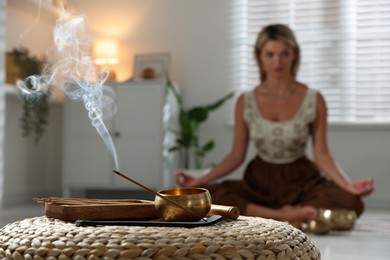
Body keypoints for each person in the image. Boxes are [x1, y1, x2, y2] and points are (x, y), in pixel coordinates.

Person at [175, 24, 374, 226]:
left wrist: (348, 185)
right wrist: (201, 180)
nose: (277, 61)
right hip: (259, 181)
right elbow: (236, 155)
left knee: (351, 201)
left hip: (302, 179)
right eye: (270, 54)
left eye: (284, 54)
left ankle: (266, 215)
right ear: (259, 56)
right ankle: (283, 216)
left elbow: (322, 154)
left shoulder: (314, 99)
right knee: (209, 196)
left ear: (294, 55)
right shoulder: (246, 100)